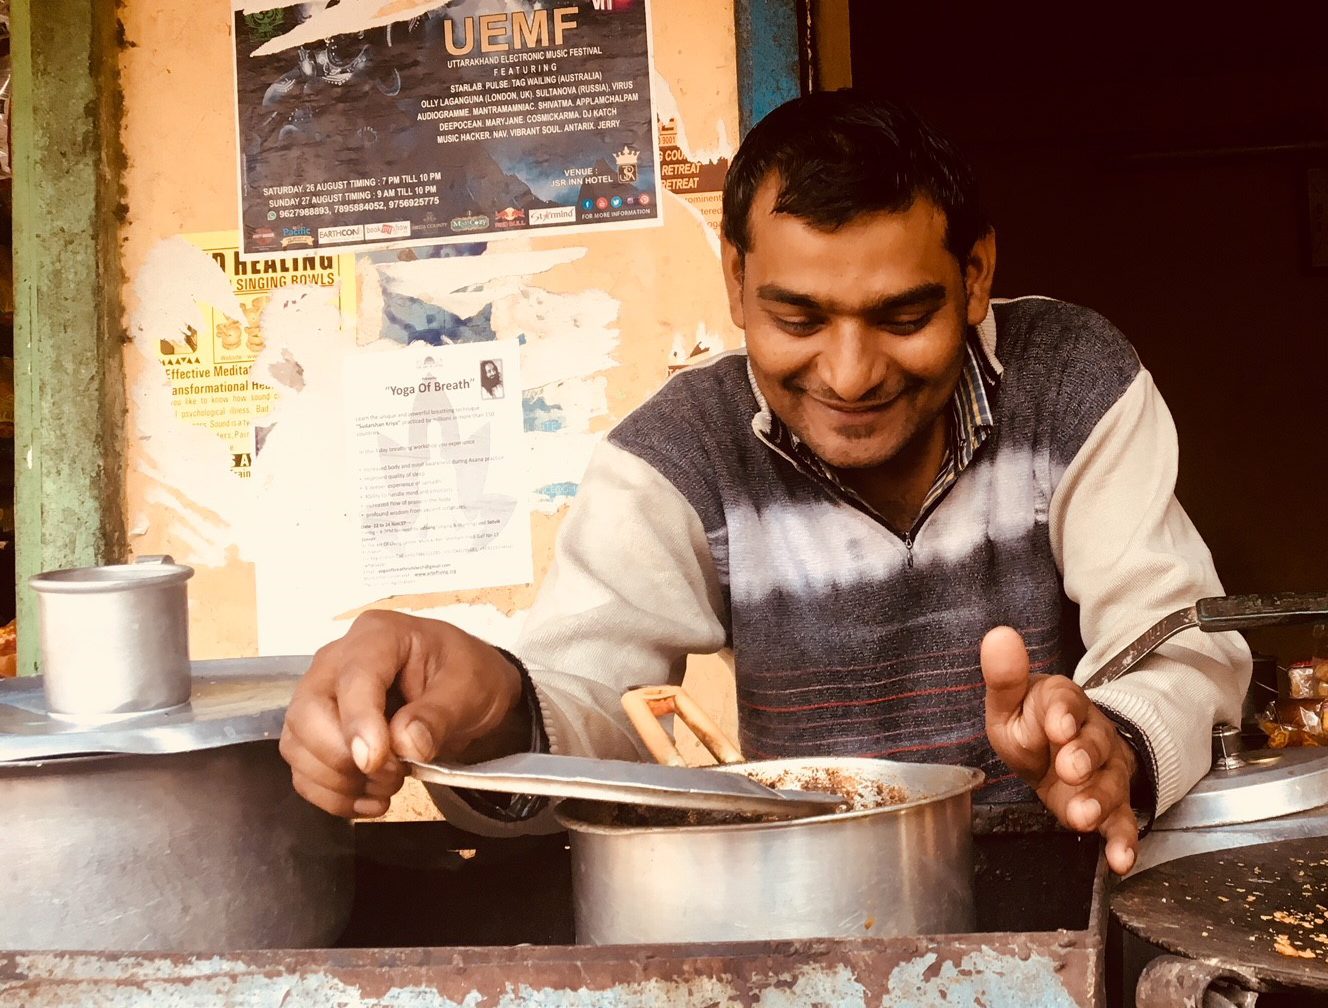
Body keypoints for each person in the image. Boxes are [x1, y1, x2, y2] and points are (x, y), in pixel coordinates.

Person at [278, 90, 1249, 873]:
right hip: (809, 919)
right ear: (738, 282)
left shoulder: (1072, 378)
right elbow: (593, 716)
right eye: (798, 319)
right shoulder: (677, 453)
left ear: (976, 276)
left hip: (1076, 895)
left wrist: (1111, 746)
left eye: (903, 316)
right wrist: (499, 702)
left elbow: (1187, 647)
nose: (852, 373)